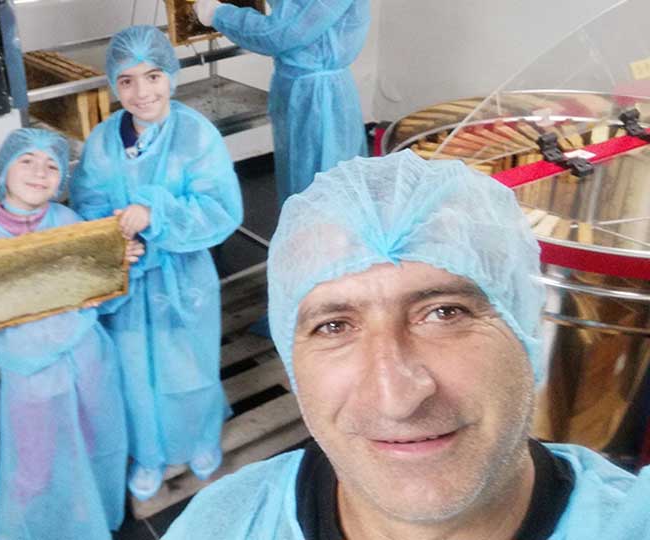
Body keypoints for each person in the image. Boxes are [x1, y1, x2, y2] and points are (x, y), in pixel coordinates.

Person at [164, 150, 650, 539]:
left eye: (444, 313)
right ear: (293, 364)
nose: (396, 398)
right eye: (334, 326)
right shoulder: (222, 524)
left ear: (523, 329)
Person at [70, 25, 244, 500]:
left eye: (152, 76)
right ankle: (148, 453)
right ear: (113, 85)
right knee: (131, 370)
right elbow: (85, 201)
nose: (142, 92)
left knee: (189, 363)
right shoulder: (104, 140)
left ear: (171, 75)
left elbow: (221, 210)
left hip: (181, 279)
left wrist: (156, 214)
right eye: (126, 80)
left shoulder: (195, 135)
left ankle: (201, 436)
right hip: (125, 281)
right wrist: (110, 239)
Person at [0, 128, 138, 540]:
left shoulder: (68, 222)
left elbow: (95, 290)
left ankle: (96, 520)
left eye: (52, 164)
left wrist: (115, 264)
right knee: (34, 462)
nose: (40, 172)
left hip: (87, 358)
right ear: (2, 172)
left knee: (96, 442)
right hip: (30, 375)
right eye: (26, 161)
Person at [194, 0, 370, 206]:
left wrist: (218, 14)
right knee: (299, 177)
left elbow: (279, 34)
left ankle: (318, 236)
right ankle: (300, 233)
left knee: (322, 187)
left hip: (319, 95)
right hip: (299, 87)